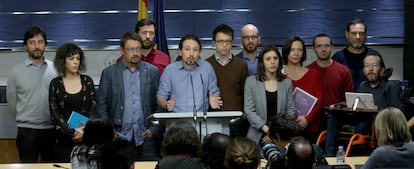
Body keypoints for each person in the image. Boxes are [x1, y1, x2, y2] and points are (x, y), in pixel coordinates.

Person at [96, 32, 161, 160]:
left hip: (145, 136)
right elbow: (101, 105)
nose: (136, 53)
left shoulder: (153, 72)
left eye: (138, 49)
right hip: (118, 136)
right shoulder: (109, 73)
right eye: (131, 49)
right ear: (122, 51)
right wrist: (110, 132)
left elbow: (160, 103)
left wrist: (154, 130)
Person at [6, 25, 57, 162]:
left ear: (45, 44)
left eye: (40, 42)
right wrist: (24, 118)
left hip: (51, 130)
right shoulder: (15, 71)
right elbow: (12, 102)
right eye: (32, 42)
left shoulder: (56, 69)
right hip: (26, 131)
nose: (37, 46)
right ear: (25, 46)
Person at [307, 33, 354, 156]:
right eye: (319, 46)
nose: (323, 49)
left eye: (326, 45)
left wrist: (337, 108)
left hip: (337, 120)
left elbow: (349, 100)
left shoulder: (343, 71)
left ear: (332, 47)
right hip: (313, 121)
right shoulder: (307, 71)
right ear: (314, 48)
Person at [49, 43, 97, 162]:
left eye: (78, 58)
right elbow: (54, 112)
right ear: (63, 61)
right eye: (71, 58)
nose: (76, 62)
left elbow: (93, 107)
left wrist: (82, 131)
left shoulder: (87, 81)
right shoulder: (55, 83)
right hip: (64, 140)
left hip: (86, 138)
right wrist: (71, 132)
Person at [157, 34, 222, 112]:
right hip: (176, 120)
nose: (191, 54)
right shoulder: (170, 70)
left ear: (199, 52)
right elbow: (160, 97)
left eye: (195, 50)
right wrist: (166, 104)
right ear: (180, 52)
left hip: (201, 119)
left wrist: (214, 99)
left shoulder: (207, 68)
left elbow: (214, 92)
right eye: (187, 49)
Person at [244, 44, 295, 145]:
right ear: (262, 62)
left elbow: (290, 110)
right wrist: (268, 131)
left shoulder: (286, 82)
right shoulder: (251, 82)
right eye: (268, 59)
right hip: (257, 135)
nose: (272, 62)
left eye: (275, 58)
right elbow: (249, 110)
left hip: (281, 135)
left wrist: (276, 132)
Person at [282, 36, 323, 142]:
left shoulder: (313, 74)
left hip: (310, 127)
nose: (296, 53)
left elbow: (319, 100)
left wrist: (307, 119)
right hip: (286, 128)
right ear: (286, 52)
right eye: (292, 50)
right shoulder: (280, 75)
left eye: (299, 50)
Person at [354, 52, 404, 134]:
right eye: (367, 66)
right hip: (364, 125)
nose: (370, 69)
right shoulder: (362, 86)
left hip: (384, 129)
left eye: (374, 65)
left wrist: (379, 109)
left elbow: (398, 113)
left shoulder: (391, 86)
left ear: (382, 70)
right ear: (363, 71)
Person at [206, 23, 249, 113]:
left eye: (228, 41)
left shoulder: (241, 65)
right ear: (214, 43)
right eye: (220, 41)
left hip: (236, 116)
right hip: (213, 116)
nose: (224, 45)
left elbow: (245, 94)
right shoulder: (206, 65)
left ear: (232, 42)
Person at [332, 18, 381, 88]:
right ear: (347, 34)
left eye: (361, 33)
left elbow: (381, 83)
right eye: (354, 33)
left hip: (370, 98)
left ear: (366, 35)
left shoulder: (374, 56)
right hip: (344, 98)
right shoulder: (338, 58)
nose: (358, 37)